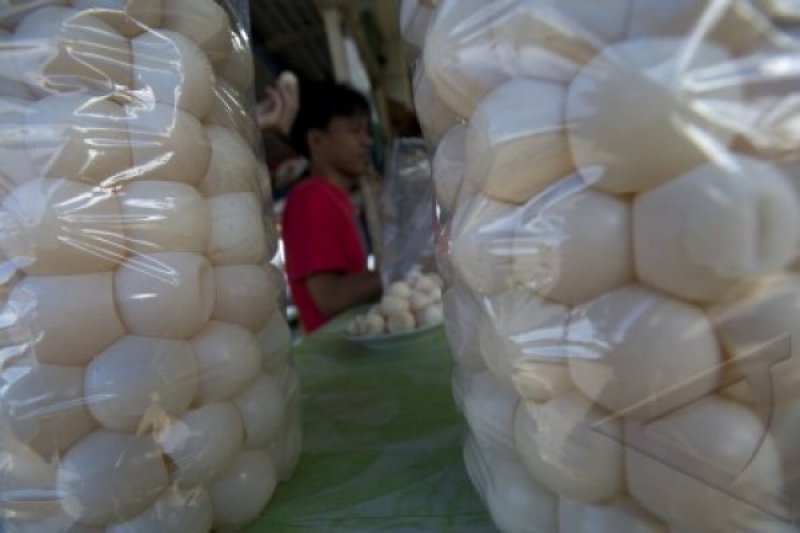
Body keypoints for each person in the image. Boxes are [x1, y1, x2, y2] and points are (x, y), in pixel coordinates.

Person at [281, 81, 382, 332]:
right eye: (354, 130)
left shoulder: (338, 200)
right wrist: (400, 271)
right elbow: (329, 298)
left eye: (367, 131)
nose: (366, 141)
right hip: (337, 359)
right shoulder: (313, 197)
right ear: (316, 140)